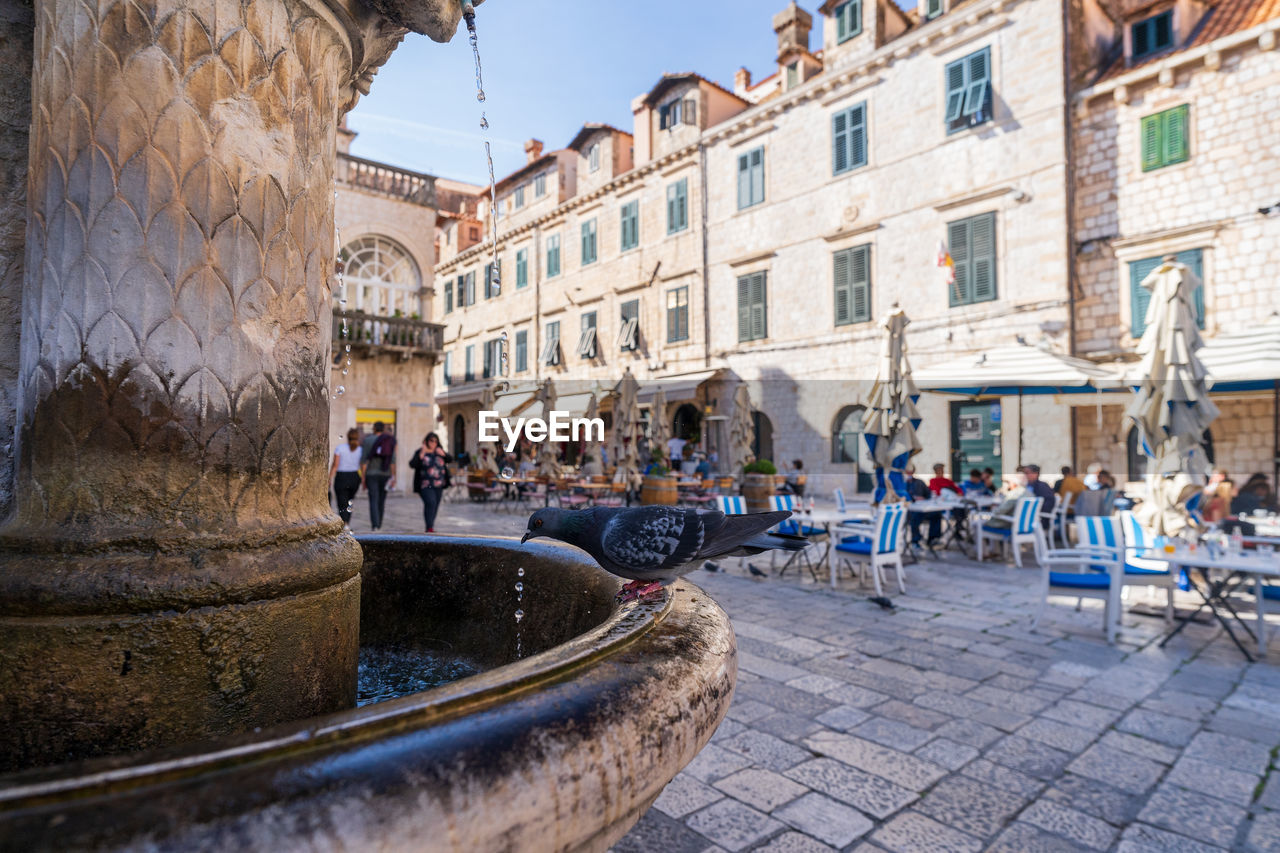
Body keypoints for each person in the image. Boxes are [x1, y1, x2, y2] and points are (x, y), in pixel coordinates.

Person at [409, 432, 449, 533]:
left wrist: (443, 454)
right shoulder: (420, 452)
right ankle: (429, 527)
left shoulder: (439, 451)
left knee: (435, 504)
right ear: (426, 441)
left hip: (439, 484)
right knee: (430, 502)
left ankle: (430, 526)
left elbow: (450, 459)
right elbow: (412, 464)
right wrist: (421, 454)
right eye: (431, 441)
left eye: (436, 441)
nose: (433, 443)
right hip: (425, 485)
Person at [361, 420, 396, 531]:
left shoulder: (367, 440)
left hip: (371, 474)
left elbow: (363, 461)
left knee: (373, 500)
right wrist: (393, 476)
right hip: (385, 474)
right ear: (383, 429)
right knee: (381, 500)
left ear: (374, 429)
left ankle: (375, 525)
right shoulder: (389, 440)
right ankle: (379, 524)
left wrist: (363, 478)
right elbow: (392, 461)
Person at [329, 428, 363, 526]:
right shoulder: (360, 449)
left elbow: (335, 465)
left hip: (342, 476)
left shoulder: (340, 448)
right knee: (349, 500)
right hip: (355, 477)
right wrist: (363, 479)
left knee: (341, 501)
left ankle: (345, 522)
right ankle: (347, 521)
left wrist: (330, 478)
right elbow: (362, 465)